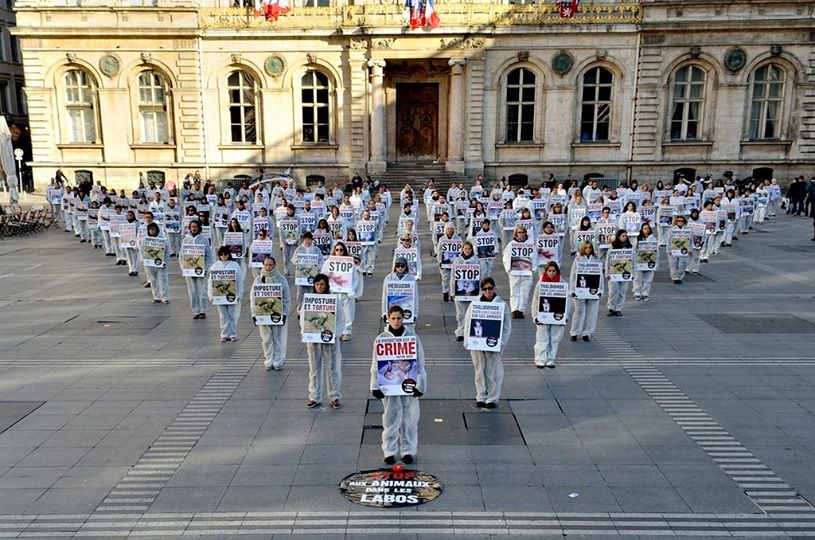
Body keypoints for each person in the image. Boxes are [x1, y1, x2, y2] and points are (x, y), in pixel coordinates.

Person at [370, 305, 427, 465]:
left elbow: (420, 363)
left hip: (408, 384)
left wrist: (420, 385)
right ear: (388, 318)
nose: (396, 321)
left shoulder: (413, 338)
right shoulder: (381, 338)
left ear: (403, 319)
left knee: (410, 418)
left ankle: (408, 450)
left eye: (399, 318)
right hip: (390, 387)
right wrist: (375, 386)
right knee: (390, 418)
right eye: (393, 318)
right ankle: (389, 451)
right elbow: (375, 364)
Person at [464, 277, 512, 409]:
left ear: (494, 288)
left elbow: (507, 326)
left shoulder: (502, 304)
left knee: (493, 371)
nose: (488, 291)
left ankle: (492, 397)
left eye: (490, 288)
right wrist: (467, 340)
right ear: (481, 290)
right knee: (479, 369)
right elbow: (468, 322)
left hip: (493, 343)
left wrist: (502, 342)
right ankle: (480, 395)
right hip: (477, 342)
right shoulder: (475, 304)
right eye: (485, 289)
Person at [301, 273, 344, 409]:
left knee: (332, 368)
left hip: (329, 338)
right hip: (313, 338)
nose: (319, 287)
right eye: (317, 284)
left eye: (322, 284)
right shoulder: (309, 300)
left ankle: (334, 396)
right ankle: (314, 396)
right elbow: (304, 318)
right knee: (314, 368)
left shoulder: (334, 299)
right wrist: (306, 333)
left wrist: (335, 333)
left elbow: (341, 318)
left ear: (326, 286)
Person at [251, 256, 290, 371]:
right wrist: (254, 314)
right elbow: (253, 298)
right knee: (266, 338)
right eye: (266, 265)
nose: (268, 267)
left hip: (278, 314)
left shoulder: (281, 279)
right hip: (263, 315)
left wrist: (285, 313)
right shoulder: (258, 280)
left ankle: (278, 360)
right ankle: (269, 359)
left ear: (275, 265)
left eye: (270, 265)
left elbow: (287, 298)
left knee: (277, 337)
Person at [531, 262, 568, 368]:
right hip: (543, 315)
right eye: (549, 271)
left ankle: (551, 358)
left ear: (557, 271)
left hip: (557, 315)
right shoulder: (540, 283)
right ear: (546, 271)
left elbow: (567, 301)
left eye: (554, 271)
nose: (551, 273)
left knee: (555, 337)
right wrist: (535, 316)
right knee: (542, 337)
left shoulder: (562, 283)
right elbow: (535, 300)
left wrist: (566, 317)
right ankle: (540, 359)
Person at [322, 241, 359, 341]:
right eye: (337, 250)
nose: (339, 252)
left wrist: (352, 290)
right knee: (333, 312)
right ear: (334, 250)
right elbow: (323, 276)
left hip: (346, 292)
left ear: (344, 251)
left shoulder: (350, 263)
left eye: (341, 250)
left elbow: (355, 278)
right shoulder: (328, 262)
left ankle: (346, 332)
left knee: (348, 313)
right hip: (333, 291)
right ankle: (335, 331)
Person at [451, 241, 486, 342]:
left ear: (472, 250)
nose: (467, 251)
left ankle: (469, 332)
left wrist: (480, 291)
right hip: (459, 291)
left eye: (469, 249)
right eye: (465, 249)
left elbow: (481, 276)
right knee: (460, 314)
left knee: (471, 313)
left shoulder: (476, 260)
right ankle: (460, 332)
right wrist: (452, 292)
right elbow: (453, 277)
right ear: (462, 249)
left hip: (472, 292)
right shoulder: (457, 260)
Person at [569, 241, 603, 341]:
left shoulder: (596, 260)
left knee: (590, 312)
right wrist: (572, 290)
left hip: (592, 290)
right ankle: (574, 332)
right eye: (586, 247)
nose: (588, 249)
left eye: (590, 248)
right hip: (579, 290)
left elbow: (600, 276)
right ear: (583, 249)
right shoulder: (578, 259)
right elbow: (573, 275)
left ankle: (586, 333)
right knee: (578, 311)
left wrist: (600, 289)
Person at [210, 246, 244, 342]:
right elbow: (210, 282)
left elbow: (240, 281)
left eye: (225, 254)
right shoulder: (215, 266)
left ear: (228, 254)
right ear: (219, 256)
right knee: (223, 315)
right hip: (219, 296)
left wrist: (239, 294)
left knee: (232, 315)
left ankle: (233, 333)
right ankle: (224, 333)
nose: (223, 256)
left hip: (232, 295)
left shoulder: (235, 265)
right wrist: (210, 295)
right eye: (221, 255)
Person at [502, 225, 537, 319]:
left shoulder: (530, 244)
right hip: (515, 272)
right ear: (516, 234)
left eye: (522, 232)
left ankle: (521, 310)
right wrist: (508, 269)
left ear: (525, 233)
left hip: (527, 272)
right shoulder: (511, 244)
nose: (521, 234)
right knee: (514, 291)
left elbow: (535, 257)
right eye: (519, 232)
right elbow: (506, 257)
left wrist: (533, 269)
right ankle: (514, 310)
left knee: (524, 292)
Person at [181, 219, 212, 319]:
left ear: (198, 228)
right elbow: (182, 255)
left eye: (195, 226)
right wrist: (183, 267)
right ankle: (196, 311)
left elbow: (208, 255)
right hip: (189, 270)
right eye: (192, 227)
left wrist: (206, 268)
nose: (193, 228)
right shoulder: (186, 240)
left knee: (202, 290)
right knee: (192, 291)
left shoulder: (204, 239)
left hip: (201, 269)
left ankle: (203, 310)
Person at [381, 257, 418, 327]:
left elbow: (415, 297)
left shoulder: (411, 279)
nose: (400, 268)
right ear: (395, 267)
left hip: (407, 311)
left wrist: (415, 314)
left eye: (402, 266)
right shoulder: (388, 278)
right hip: (393, 311)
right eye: (398, 266)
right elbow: (385, 296)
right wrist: (384, 313)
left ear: (406, 266)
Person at [606, 229, 632, 317]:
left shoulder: (629, 247)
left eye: (626, 236)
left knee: (622, 291)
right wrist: (607, 273)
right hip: (614, 273)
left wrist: (633, 274)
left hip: (625, 273)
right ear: (618, 237)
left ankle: (618, 308)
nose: (624, 237)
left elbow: (633, 261)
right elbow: (607, 261)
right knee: (613, 291)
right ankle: (611, 308)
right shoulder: (613, 247)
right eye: (623, 236)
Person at [142, 222, 170, 304]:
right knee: (153, 280)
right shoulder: (145, 240)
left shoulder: (163, 240)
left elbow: (167, 252)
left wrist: (165, 261)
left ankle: (165, 297)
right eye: (150, 229)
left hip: (160, 264)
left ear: (156, 230)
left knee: (162, 280)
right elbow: (141, 250)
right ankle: (156, 297)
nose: (151, 231)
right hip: (149, 264)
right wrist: (143, 260)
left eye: (153, 229)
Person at [633, 223, 657, 301]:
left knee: (648, 279)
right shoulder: (637, 239)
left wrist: (656, 263)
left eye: (647, 228)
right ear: (642, 230)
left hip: (650, 262)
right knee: (638, 278)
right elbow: (634, 251)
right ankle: (637, 293)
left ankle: (645, 293)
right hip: (639, 262)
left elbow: (657, 252)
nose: (646, 230)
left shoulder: (653, 239)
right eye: (644, 229)